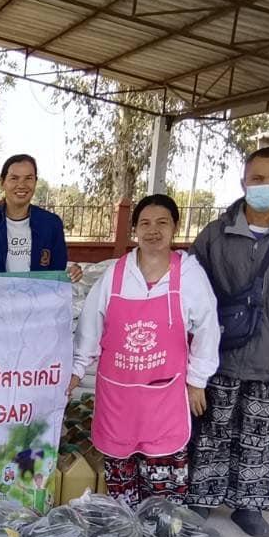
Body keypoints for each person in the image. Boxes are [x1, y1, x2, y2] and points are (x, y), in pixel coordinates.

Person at [185, 147, 269, 537]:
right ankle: (203, 497)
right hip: (220, 353)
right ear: (244, 182)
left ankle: (249, 505)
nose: (266, 186)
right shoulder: (216, 233)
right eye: (258, 179)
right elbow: (192, 290)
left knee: (258, 434)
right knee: (213, 427)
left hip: (268, 354)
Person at [69, 195, 220, 507]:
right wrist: (76, 371)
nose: (153, 231)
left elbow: (207, 327)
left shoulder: (189, 275)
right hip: (119, 395)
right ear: (135, 229)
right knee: (121, 472)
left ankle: (162, 530)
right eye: (145, 224)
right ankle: (126, 529)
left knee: (163, 474)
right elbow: (90, 326)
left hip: (164, 396)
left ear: (175, 227)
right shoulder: (116, 274)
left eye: (162, 223)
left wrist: (197, 381)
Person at [0, 154, 68, 274]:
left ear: (35, 182)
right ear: (2, 182)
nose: (22, 185)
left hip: (38, 293)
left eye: (28, 178)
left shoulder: (51, 224)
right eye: (14, 178)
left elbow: (58, 274)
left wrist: (72, 274)